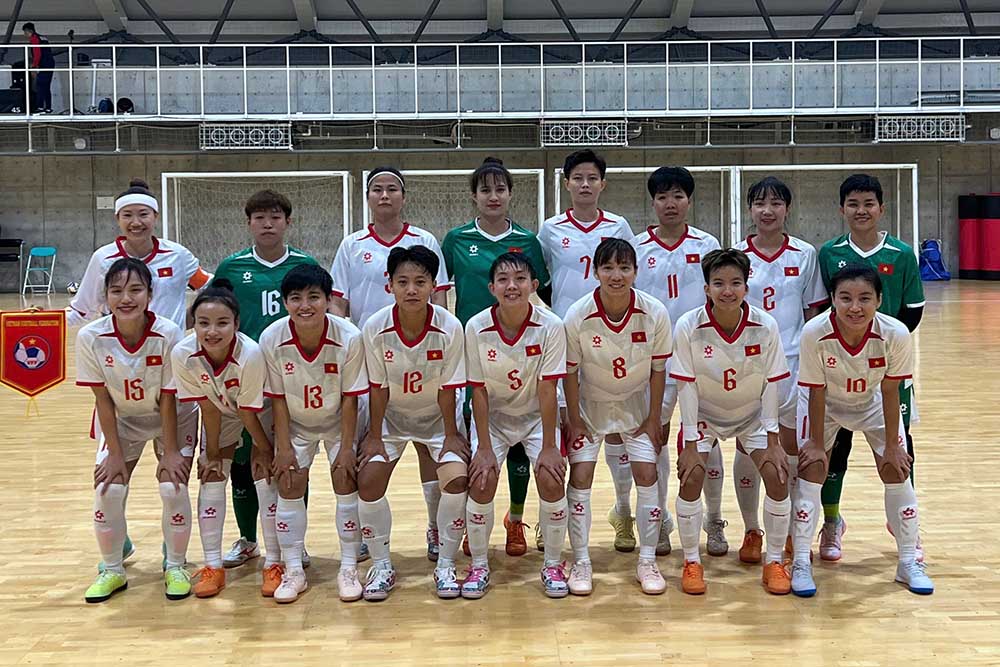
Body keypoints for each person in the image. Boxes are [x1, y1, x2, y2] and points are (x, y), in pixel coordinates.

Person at [68, 177, 210, 570]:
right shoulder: (102, 260)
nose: (136, 222)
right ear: (118, 220)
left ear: (156, 218)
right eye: (128, 215)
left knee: (172, 481)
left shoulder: (177, 255)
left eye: (143, 214)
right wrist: (40, 325)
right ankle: (117, 546)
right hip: (121, 376)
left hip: (169, 370)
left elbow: (208, 287)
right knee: (109, 484)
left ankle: (174, 556)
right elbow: (82, 310)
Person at [330, 166, 451, 562]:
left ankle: (436, 529)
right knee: (370, 449)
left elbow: (443, 299)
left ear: (403, 196)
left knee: (430, 453)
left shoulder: (425, 240)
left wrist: (442, 341)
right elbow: (338, 303)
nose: (384, 196)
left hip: (425, 358)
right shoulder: (352, 244)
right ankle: (367, 537)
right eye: (377, 190)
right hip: (374, 363)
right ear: (367, 197)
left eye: (392, 189)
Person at [791, 265, 933, 597]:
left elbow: (891, 390)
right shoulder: (814, 332)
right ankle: (800, 561)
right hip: (824, 404)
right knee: (812, 469)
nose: (855, 307)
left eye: (864, 298)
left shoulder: (895, 333)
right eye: (846, 298)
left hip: (872, 403)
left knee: (897, 469)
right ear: (832, 300)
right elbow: (816, 391)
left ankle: (908, 562)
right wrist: (814, 443)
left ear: (879, 301)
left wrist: (895, 447)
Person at [441, 157, 551, 557]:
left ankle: (516, 520)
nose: (493, 196)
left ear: (510, 194)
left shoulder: (527, 240)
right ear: (474, 195)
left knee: (522, 442)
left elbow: (545, 296)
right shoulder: (455, 240)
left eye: (500, 189)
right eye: (485, 189)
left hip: (520, 349)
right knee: (480, 438)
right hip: (473, 349)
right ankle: (477, 518)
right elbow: (441, 292)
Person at [212, 190, 325, 579]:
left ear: (287, 222)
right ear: (249, 224)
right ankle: (247, 539)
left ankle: (297, 540)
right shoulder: (231, 266)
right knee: (245, 462)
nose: (267, 224)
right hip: (245, 382)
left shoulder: (305, 265)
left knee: (292, 460)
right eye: (259, 217)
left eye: (275, 217)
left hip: (294, 380)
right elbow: (217, 316)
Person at [816, 174, 926, 562]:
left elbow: (913, 310)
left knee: (899, 449)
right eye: (853, 204)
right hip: (838, 371)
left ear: (881, 208)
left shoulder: (901, 254)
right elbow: (822, 308)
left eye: (868, 204)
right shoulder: (829, 253)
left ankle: (904, 526)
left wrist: (880, 346)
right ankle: (831, 522)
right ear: (842, 209)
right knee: (834, 450)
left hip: (886, 369)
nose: (861, 211)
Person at [670, 249, 792, 595]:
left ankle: (773, 561)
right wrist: (691, 444)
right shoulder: (688, 326)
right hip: (706, 416)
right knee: (691, 476)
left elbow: (772, 383)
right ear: (706, 288)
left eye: (735, 283)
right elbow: (686, 386)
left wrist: (772, 439)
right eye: (719, 283)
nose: (728, 290)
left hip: (752, 416)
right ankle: (692, 560)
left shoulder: (765, 325)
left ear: (746, 286)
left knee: (777, 475)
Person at [536, 149, 638, 554]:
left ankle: (623, 512)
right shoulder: (549, 229)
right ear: (566, 183)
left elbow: (629, 274)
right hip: (565, 339)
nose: (584, 184)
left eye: (592, 178)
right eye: (577, 178)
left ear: (602, 184)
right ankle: (553, 519)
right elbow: (541, 282)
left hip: (612, 339)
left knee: (617, 429)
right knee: (566, 429)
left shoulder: (619, 226)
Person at [77, 258, 192, 602]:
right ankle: (112, 569)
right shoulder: (91, 337)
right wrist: (113, 453)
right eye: (116, 291)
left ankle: (175, 564)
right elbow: (102, 398)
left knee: (173, 486)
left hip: (172, 416)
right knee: (108, 489)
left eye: (135, 290)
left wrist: (170, 451)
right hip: (122, 419)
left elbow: (171, 398)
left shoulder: (169, 333)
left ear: (150, 294)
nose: (126, 298)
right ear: (106, 296)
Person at [357, 245, 468, 601]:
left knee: (456, 478)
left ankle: (446, 563)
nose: (411, 290)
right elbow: (377, 387)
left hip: (438, 419)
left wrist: (451, 436)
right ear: (389, 285)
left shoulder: (450, 326)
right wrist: (373, 437)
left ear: (434, 285)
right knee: (368, 480)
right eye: (402, 282)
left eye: (420, 281)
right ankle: (381, 564)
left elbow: (450, 388)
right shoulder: (374, 327)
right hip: (391, 419)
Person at [563, 238, 671, 596]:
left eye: (624, 268)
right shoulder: (577, 314)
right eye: (608, 268)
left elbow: (659, 371)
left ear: (636, 272)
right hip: (590, 406)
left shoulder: (654, 311)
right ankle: (581, 560)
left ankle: (647, 560)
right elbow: (570, 372)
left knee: (647, 473)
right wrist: (575, 420)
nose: (616, 275)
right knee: (580, 475)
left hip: (635, 405)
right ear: (595, 272)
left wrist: (655, 417)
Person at [259, 265, 369, 603]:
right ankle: (293, 569)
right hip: (296, 423)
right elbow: (276, 399)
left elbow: (351, 398)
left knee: (345, 482)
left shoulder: (349, 336)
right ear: (285, 303)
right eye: (296, 299)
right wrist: (282, 446)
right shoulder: (272, 338)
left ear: (327, 299)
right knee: (289, 483)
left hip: (340, 420)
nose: (305, 305)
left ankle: (349, 566)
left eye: (313, 297)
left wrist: (348, 447)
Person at [733, 177, 828, 563]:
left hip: (791, 362)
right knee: (747, 443)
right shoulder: (737, 253)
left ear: (787, 209)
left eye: (775, 203)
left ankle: (786, 529)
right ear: (750, 210)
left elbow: (813, 312)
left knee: (787, 447)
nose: (767, 210)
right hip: (746, 362)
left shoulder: (805, 253)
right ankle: (751, 529)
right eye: (759, 203)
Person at [631, 166, 723, 557]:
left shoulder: (708, 244)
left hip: (701, 359)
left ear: (689, 200)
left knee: (707, 441)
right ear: (652, 202)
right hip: (652, 362)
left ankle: (714, 519)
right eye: (663, 197)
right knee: (656, 440)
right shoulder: (636, 247)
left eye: (678, 196)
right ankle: (661, 522)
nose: (671, 204)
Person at [465, 253, 568, 598]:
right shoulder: (476, 327)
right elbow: (477, 390)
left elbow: (548, 387)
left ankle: (553, 564)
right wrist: (482, 448)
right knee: (481, 483)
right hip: (492, 419)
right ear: (492, 287)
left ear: (534, 286)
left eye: (521, 278)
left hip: (536, 417)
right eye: (504, 280)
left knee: (552, 481)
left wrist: (551, 447)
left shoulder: (551, 325)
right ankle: (479, 565)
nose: (512, 286)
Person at [171, 280, 271, 599]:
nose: (212, 331)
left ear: (237, 324)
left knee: (264, 474)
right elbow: (206, 408)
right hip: (219, 408)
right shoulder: (183, 354)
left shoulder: (250, 354)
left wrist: (262, 448)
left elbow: (248, 411)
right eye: (203, 323)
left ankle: (276, 563)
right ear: (194, 324)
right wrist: (211, 452)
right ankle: (213, 565)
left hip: (258, 410)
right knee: (212, 474)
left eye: (222, 323)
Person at [22, 23, 54, 113]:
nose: (25, 35)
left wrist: (34, 66)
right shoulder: (43, 38)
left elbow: (37, 54)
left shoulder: (34, 39)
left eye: (25, 32)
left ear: (29, 31)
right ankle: (48, 107)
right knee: (46, 86)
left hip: (43, 64)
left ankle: (40, 107)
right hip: (50, 63)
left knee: (40, 85)